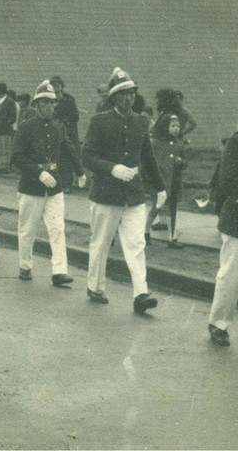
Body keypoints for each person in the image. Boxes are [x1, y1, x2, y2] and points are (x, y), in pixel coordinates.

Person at [81, 67, 166, 314]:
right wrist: (112, 169)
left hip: (134, 195)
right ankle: (95, 286)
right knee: (101, 243)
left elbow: (148, 158)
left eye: (131, 93)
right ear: (114, 98)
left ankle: (141, 293)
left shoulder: (141, 121)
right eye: (122, 94)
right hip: (106, 194)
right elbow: (87, 156)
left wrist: (160, 188)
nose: (128, 98)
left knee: (136, 243)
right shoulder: (99, 121)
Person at [12, 80, 86, 284]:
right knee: (28, 229)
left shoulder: (58, 127)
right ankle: (25, 265)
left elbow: (69, 149)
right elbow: (17, 157)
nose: (50, 107)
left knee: (57, 228)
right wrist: (38, 173)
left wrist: (80, 172)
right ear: (36, 105)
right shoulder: (26, 128)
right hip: (31, 187)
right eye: (45, 103)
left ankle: (59, 271)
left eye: (53, 103)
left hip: (55, 186)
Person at [208, 129, 238, 346]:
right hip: (236, 217)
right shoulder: (236, 141)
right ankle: (218, 323)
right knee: (231, 274)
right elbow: (227, 180)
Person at [145, 113, 186, 248]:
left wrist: (181, 162)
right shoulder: (155, 142)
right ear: (164, 126)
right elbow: (147, 161)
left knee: (171, 208)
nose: (176, 129)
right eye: (173, 126)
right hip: (159, 181)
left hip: (174, 180)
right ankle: (145, 231)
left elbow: (184, 160)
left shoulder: (179, 143)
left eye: (178, 126)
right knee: (157, 206)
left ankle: (172, 238)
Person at [50, 76, 80, 193]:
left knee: (66, 160)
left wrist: (64, 124)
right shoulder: (50, 101)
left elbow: (74, 117)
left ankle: (67, 184)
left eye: (58, 86)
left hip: (66, 135)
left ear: (62, 87)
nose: (56, 89)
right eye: (53, 86)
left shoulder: (68, 101)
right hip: (53, 136)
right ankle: (54, 182)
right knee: (53, 160)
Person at [0, 82, 17, 174]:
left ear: (0, 91)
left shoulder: (10, 102)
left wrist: (5, 125)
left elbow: (13, 117)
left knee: (6, 148)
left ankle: (5, 167)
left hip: (5, 130)